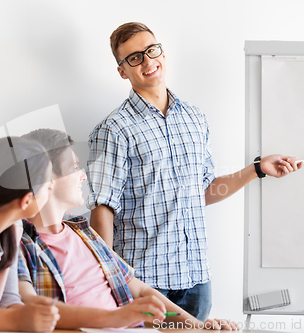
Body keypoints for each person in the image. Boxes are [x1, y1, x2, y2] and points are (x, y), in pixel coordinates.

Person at [86, 22, 303, 321]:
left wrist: (256, 169)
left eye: (152, 50)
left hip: (196, 279)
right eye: (134, 57)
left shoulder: (194, 118)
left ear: (162, 51)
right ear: (123, 70)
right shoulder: (113, 129)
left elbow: (203, 191)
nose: (148, 61)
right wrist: (108, 277)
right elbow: (102, 207)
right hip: (145, 280)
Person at [17, 128, 237, 330]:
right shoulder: (18, 244)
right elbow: (30, 309)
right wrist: (118, 317)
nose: (83, 175)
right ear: (47, 176)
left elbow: (139, 290)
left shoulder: (83, 231)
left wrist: (196, 326)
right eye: (74, 168)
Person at [0, 136, 60, 332]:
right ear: (26, 200)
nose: (51, 186)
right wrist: (16, 319)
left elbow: (8, 298)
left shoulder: (14, 228)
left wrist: (28, 315)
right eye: (46, 181)